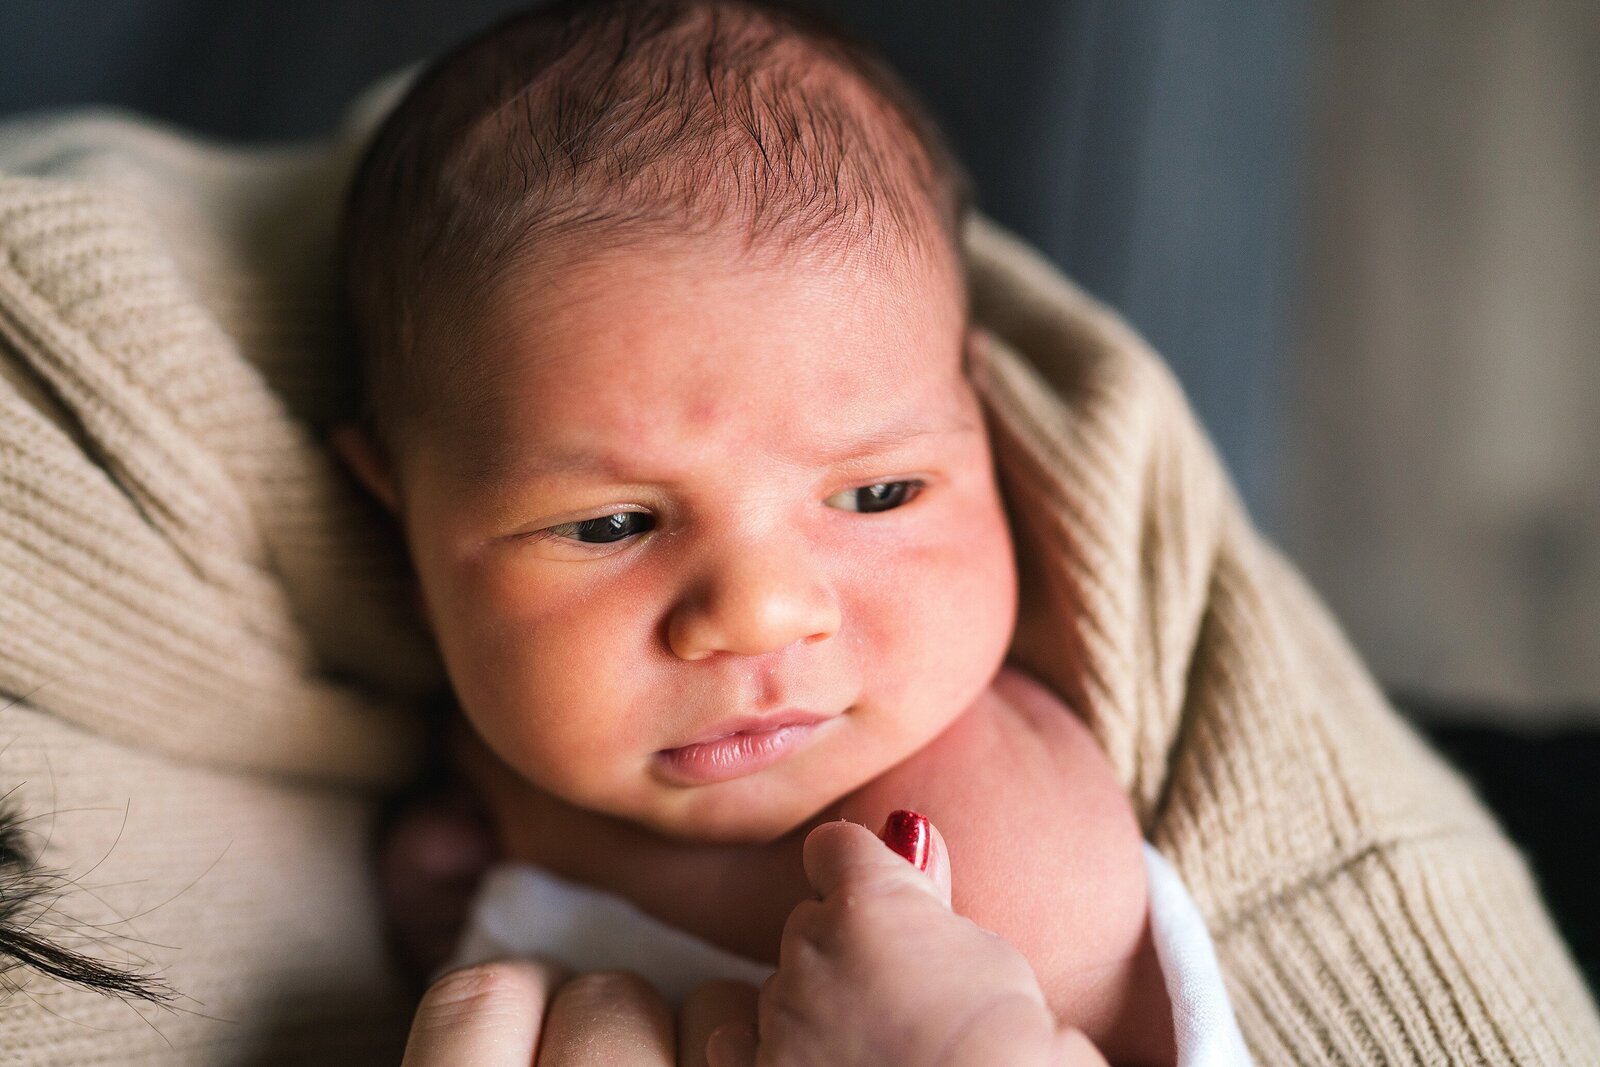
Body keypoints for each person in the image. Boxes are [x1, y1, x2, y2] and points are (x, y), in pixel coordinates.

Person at [333, 0, 1248, 1063]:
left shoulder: (982, 842)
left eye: (877, 494)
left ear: (984, 432)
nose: (760, 611)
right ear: (394, 520)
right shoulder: (450, 787)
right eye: (611, 523)